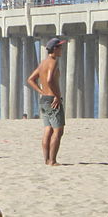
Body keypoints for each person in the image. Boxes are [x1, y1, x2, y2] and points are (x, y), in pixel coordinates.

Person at [26, 37, 66, 166]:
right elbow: (49, 80)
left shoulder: (43, 63)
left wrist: (41, 91)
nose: (62, 49)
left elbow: (31, 79)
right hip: (52, 99)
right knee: (58, 131)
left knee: (48, 129)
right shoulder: (53, 62)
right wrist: (57, 96)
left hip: (44, 99)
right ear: (55, 49)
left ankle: (46, 160)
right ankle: (52, 160)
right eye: (60, 47)